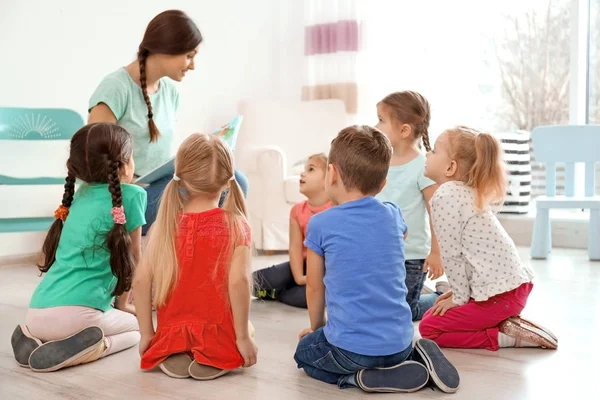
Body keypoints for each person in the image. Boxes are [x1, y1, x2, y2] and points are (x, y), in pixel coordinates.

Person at [294, 125, 460, 394]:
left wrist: (316, 330)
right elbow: (396, 242)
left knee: (304, 353)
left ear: (331, 174)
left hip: (350, 350)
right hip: (400, 343)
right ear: (383, 184)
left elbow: (314, 287)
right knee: (383, 345)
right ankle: (412, 358)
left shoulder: (320, 224)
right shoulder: (392, 214)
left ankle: (357, 378)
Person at [87, 9, 249, 235]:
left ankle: (212, 252)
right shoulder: (116, 87)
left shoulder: (170, 92)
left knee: (235, 181)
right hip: (123, 193)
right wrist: (127, 178)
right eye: (189, 56)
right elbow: (91, 157)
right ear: (166, 49)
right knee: (205, 190)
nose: (192, 65)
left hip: (159, 185)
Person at [10, 123, 145, 372]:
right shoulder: (133, 195)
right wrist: (124, 305)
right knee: (136, 330)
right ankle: (89, 347)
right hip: (79, 319)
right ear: (124, 164)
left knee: (73, 324)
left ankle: (35, 339)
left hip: (36, 311)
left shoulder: (79, 194)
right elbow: (134, 258)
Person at [419, 126, 558, 351]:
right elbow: (468, 255)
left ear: (450, 167)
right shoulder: (463, 192)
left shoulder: (445, 196)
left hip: (501, 297)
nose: (427, 154)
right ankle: (504, 324)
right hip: (509, 292)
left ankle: (506, 336)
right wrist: (457, 293)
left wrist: (459, 299)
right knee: (435, 311)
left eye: (434, 151)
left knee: (429, 328)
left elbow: (452, 256)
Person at [133, 133, 257, 380]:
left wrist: (148, 335)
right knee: (249, 328)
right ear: (227, 181)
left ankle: (176, 350)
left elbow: (140, 282)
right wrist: (243, 338)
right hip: (217, 333)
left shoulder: (164, 224)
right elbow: (239, 282)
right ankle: (213, 352)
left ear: (181, 179)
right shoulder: (237, 224)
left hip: (170, 333)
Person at [375, 91, 449, 321]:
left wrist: (436, 253)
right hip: (381, 252)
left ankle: (438, 296)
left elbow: (435, 211)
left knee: (405, 311)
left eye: (381, 120)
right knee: (383, 306)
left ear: (404, 130)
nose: (375, 125)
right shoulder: (378, 162)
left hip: (412, 256)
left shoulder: (423, 166)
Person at [253, 153, 332, 308]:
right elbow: (295, 247)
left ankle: (278, 293)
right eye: (304, 169)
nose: (302, 173)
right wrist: (299, 278)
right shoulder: (297, 211)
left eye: (311, 169)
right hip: (302, 265)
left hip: (325, 272)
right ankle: (281, 288)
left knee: (309, 297)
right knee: (254, 281)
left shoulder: (335, 208)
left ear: (328, 179)